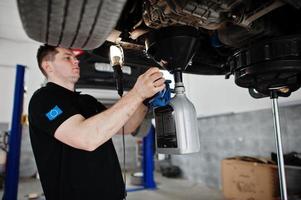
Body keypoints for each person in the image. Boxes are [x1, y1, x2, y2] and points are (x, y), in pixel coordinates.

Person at [28, 44, 166, 200]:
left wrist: (144, 101)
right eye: (67, 57)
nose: (76, 61)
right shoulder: (44, 99)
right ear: (48, 66)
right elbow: (86, 139)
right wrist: (137, 93)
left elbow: (125, 128)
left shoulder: (88, 101)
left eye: (75, 57)